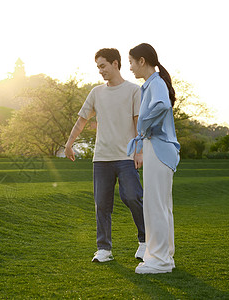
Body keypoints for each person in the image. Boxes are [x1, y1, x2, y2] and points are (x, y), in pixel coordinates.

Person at [65, 48, 146, 262]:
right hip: (101, 158)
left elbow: (138, 122)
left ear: (116, 64)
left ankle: (145, 241)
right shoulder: (96, 92)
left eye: (103, 66)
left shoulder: (133, 91)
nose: (100, 71)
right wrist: (69, 143)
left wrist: (139, 151)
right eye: (98, 67)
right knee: (102, 204)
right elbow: (82, 120)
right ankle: (104, 249)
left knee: (132, 196)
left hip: (126, 157)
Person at [127, 43, 180, 274]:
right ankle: (165, 256)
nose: (130, 67)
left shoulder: (155, 83)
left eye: (131, 62)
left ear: (142, 61)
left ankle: (158, 261)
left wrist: (144, 126)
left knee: (155, 206)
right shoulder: (152, 84)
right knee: (161, 206)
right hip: (158, 149)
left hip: (158, 149)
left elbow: (162, 105)